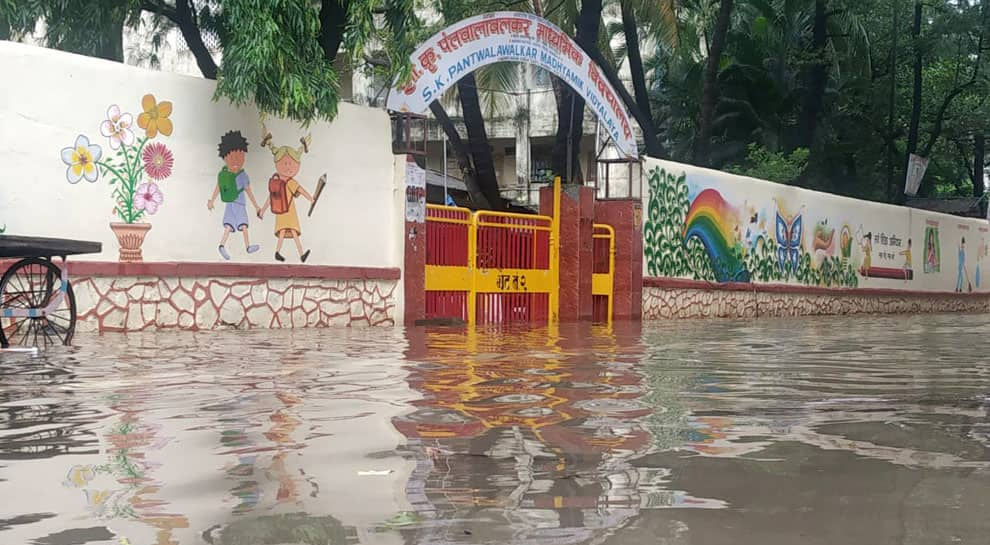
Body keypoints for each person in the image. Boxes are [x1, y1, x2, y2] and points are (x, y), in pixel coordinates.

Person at [257, 131, 315, 263]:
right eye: (285, 163)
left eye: (291, 164)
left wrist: (263, 210)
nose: (288, 167)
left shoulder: (277, 182)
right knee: (293, 231)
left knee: (283, 231)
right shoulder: (290, 182)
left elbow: (270, 198)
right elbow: (301, 190)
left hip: (280, 210)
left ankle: (279, 252)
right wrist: (311, 199)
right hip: (289, 211)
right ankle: (300, 254)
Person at [208, 131, 261, 260]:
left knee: (232, 225)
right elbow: (248, 191)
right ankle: (244, 246)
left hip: (232, 203)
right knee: (241, 225)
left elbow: (219, 188)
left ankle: (225, 245)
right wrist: (256, 206)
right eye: (232, 158)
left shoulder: (229, 174)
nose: (237, 161)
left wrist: (212, 201)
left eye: (240, 157)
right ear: (225, 158)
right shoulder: (240, 175)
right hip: (238, 203)